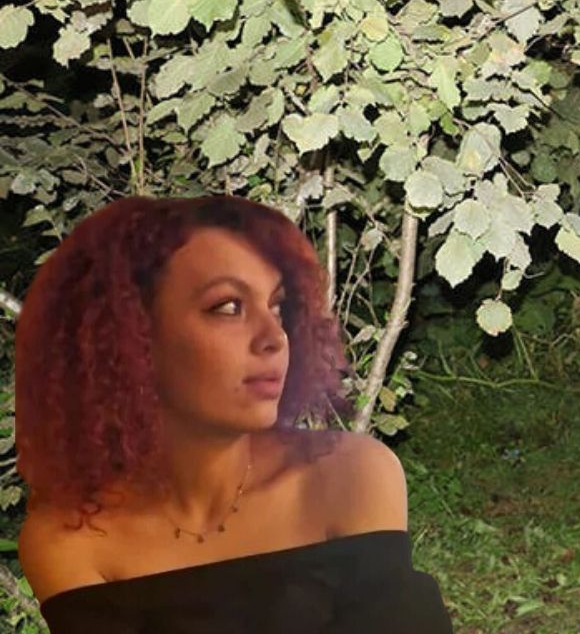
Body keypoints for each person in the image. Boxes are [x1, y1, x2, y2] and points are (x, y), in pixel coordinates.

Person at [13, 196, 454, 633]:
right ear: (131, 337)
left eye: (276, 306)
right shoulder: (72, 536)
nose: (274, 337)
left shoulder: (350, 475)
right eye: (228, 307)